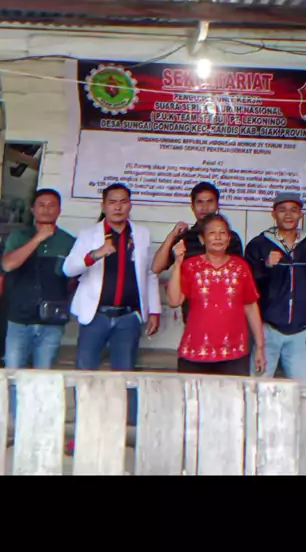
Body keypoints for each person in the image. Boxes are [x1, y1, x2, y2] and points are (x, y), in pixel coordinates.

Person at [63, 183, 161, 430]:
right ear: (104, 205)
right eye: (112, 202)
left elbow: (149, 273)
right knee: (86, 371)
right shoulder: (89, 234)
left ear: (130, 204)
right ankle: (85, 426)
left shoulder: (141, 234)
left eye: (123, 201)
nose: (118, 207)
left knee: (125, 374)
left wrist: (154, 310)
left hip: (128, 316)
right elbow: (68, 269)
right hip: (95, 314)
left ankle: (122, 430)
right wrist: (95, 254)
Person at [167, 213, 265, 376]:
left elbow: (250, 306)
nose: (218, 237)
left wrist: (260, 346)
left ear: (229, 239)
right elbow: (174, 300)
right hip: (195, 352)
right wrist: (177, 263)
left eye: (222, 233)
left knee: (233, 394)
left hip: (234, 354)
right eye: (212, 233)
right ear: (203, 239)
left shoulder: (240, 267)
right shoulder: (190, 266)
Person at [1, 189, 75, 394]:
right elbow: (8, 265)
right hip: (19, 319)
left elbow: (73, 279)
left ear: (59, 210)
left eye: (52, 205)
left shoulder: (68, 241)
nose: (46, 209)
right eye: (41, 205)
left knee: (44, 380)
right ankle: (15, 415)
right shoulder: (19, 236)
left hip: (51, 322)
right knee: (14, 378)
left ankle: (40, 416)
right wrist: (38, 238)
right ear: (33, 209)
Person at [245, 191, 306, 380]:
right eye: (282, 210)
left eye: (294, 210)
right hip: (267, 327)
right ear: (273, 213)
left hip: (300, 330)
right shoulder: (258, 245)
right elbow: (248, 286)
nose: (288, 215)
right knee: (259, 384)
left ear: (300, 214)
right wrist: (266, 266)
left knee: (302, 388)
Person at [152, 181, 243, 322]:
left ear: (217, 205)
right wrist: (172, 236)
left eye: (209, 202)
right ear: (192, 207)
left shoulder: (230, 238)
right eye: (200, 202)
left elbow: (240, 278)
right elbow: (156, 267)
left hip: (225, 314)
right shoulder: (185, 238)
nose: (205, 207)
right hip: (193, 316)